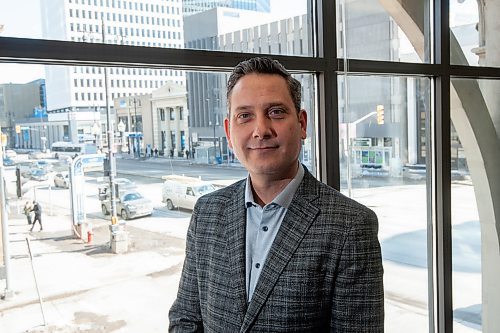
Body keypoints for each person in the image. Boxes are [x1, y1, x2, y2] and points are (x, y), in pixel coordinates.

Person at [169, 57, 384, 332]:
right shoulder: (207, 212)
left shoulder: (351, 227)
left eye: (276, 112)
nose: (261, 130)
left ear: (302, 123)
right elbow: (186, 319)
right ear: (228, 131)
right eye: (244, 115)